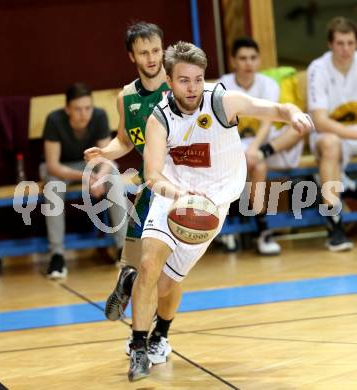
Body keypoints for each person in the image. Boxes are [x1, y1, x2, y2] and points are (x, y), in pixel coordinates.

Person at [127, 41, 314, 382]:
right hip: (173, 193)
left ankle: (161, 335)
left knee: (165, 286)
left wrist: (293, 114)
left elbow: (273, 108)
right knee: (148, 264)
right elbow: (152, 174)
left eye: (198, 79)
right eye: (184, 80)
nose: (193, 87)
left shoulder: (221, 102)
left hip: (212, 203)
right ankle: (138, 346)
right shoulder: (160, 118)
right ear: (169, 81)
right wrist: (176, 191)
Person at [84, 22, 177, 364]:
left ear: (163, 50)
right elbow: (124, 140)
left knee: (164, 274)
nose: (152, 58)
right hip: (149, 185)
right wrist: (104, 153)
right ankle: (144, 332)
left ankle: (157, 336)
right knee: (141, 268)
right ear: (131, 56)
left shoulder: (179, 85)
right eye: (143, 52)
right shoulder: (126, 97)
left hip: (180, 188)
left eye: (156, 50)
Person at [219, 37, 308, 255]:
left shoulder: (268, 84)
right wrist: (246, 153)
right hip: (234, 146)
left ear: (258, 61)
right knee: (257, 166)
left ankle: (262, 154)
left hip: (265, 144)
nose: (248, 63)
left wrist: (257, 149)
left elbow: (267, 123)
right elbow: (222, 127)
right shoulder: (223, 85)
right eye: (243, 58)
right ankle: (262, 230)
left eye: (252, 58)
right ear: (233, 61)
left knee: (300, 127)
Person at [42, 83, 127, 279]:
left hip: (92, 164)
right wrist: (87, 178)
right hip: (62, 168)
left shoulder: (99, 116)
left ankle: (123, 249)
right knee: (52, 186)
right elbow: (53, 166)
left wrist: (98, 178)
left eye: (87, 108)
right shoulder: (54, 120)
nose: (84, 113)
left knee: (112, 175)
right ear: (67, 109)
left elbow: (107, 157)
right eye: (78, 109)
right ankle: (57, 255)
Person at [307, 16, 357, 251]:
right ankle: (334, 223)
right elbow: (319, 120)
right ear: (330, 44)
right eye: (340, 43)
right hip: (329, 132)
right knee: (330, 143)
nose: (345, 49)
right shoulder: (318, 69)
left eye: (350, 43)